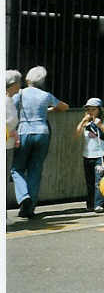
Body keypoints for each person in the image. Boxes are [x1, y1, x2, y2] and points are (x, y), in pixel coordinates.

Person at [10, 66, 69, 218]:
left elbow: (11, 110)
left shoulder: (20, 94)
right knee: (35, 170)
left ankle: (24, 197)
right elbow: (64, 107)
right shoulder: (45, 95)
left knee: (16, 169)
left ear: (27, 79)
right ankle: (29, 209)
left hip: (24, 132)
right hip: (42, 133)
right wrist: (47, 110)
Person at [75, 97, 104, 213]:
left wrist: (100, 125)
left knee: (99, 181)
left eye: (93, 109)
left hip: (100, 155)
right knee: (90, 181)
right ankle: (90, 204)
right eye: (88, 109)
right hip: (87, 155)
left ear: (99, 110)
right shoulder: (86, 123)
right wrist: (83, 121)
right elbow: (77, 134)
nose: (90, 112)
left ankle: (99, 204)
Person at [6, 70, 22, 206]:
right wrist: (11, 133)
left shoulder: (9, 100)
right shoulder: (5, 101)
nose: (20, 85)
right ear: (13, 84)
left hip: (9, 144)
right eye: (18, 82)